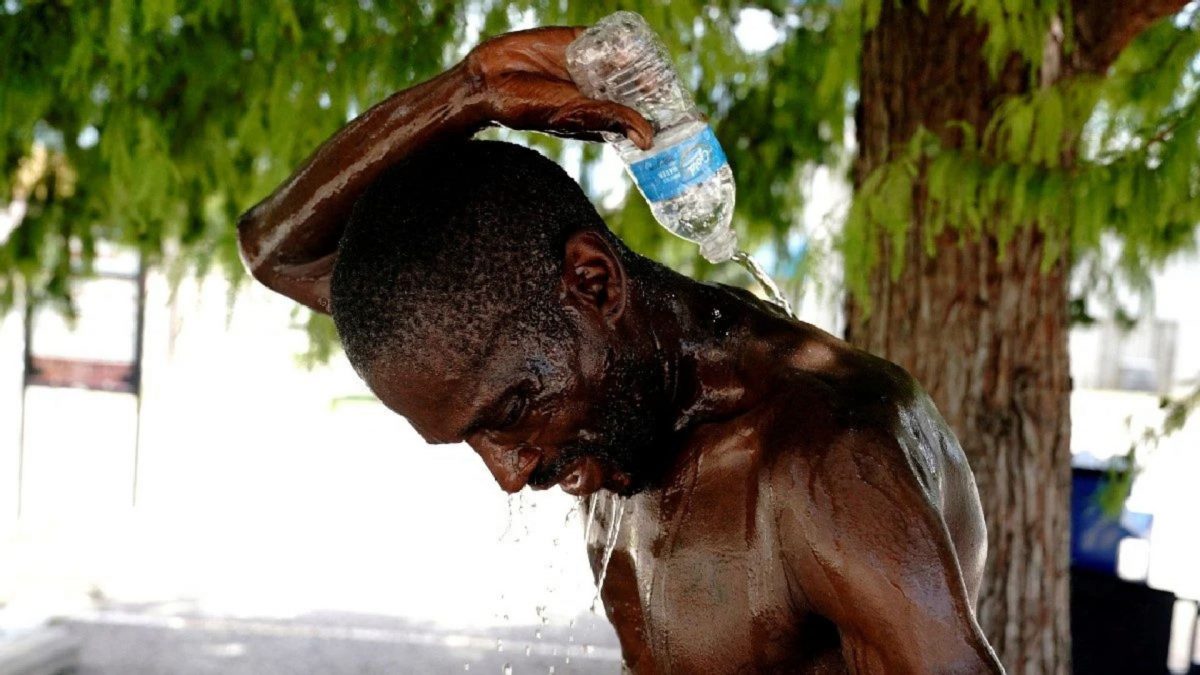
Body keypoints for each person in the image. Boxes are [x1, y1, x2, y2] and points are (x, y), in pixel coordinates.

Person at [237, 26, 1004, 674]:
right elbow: (276, 250)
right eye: (470, 438)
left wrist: (472, 90)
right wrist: (466, 94)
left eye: (509, 409)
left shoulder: (824, 462)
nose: (508, 472)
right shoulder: (615, 430)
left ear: (594, 283)